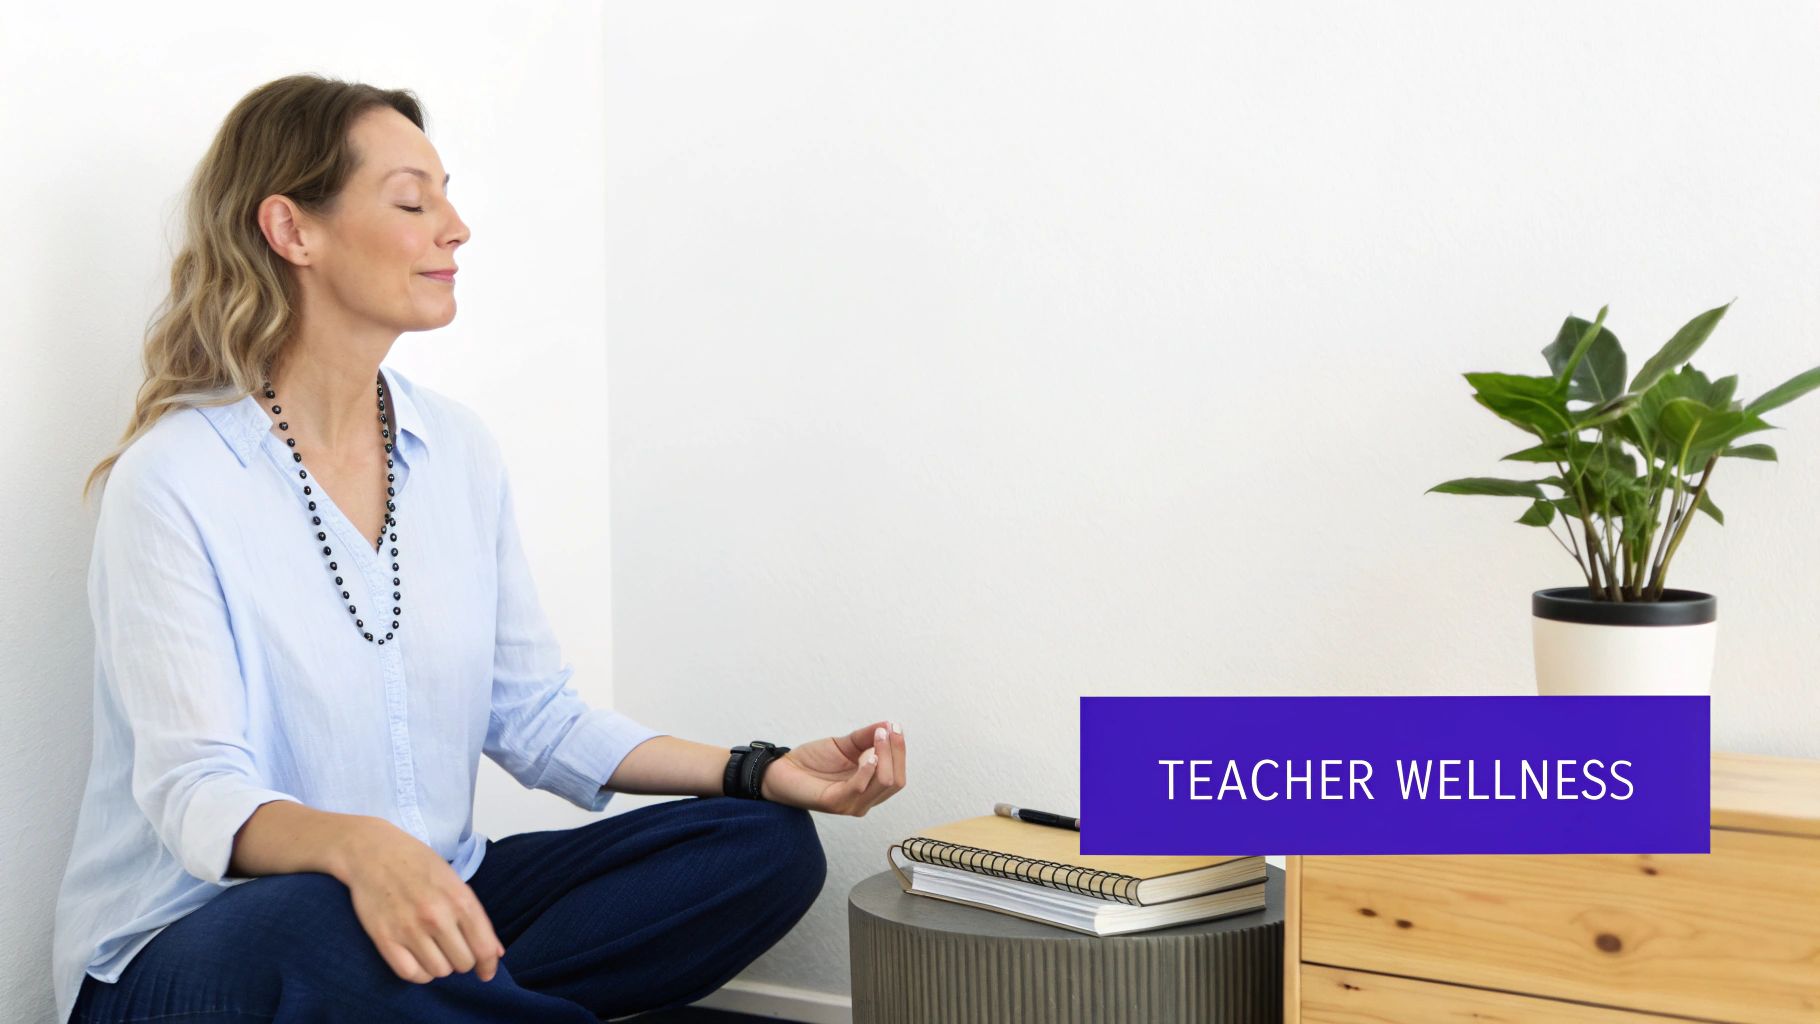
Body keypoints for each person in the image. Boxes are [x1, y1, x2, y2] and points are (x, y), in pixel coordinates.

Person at [53, 73, 909, 1024]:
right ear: (293, 231)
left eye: (447, 197)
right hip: (202, 949)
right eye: (414, 201)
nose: (454, 228)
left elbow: (536, 716)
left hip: (435, 908)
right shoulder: (175, 478)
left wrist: (759, 768)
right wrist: (356, 848)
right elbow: (195, 792)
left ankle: (460, 1005)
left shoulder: (454, 451)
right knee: (306, 918)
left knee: (762, 846)